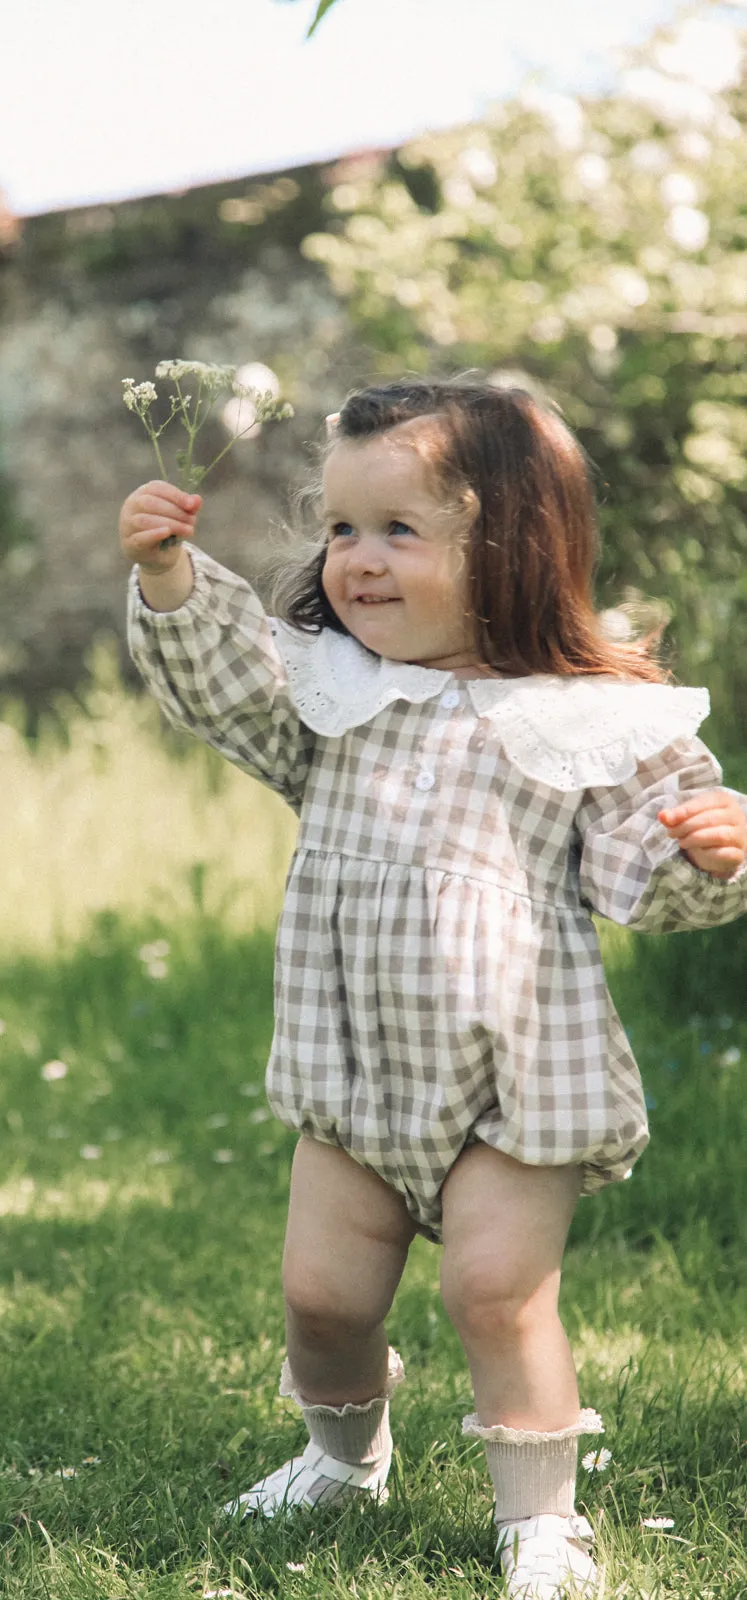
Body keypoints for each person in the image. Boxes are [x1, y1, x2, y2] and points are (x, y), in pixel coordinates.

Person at [118, 380, 747, 1600]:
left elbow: (640, 873)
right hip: (354, 1072)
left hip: (519, 1084)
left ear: (509, 544)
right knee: (319, 1296)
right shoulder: (338, 696)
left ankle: (541, 1526)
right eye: (340, 528)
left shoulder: (587, 719)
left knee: (493, 1292)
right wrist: (168, 580)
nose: (353, 559)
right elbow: (229, 691)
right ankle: (342, 1459)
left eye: (396, 529)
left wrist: (708, 851)